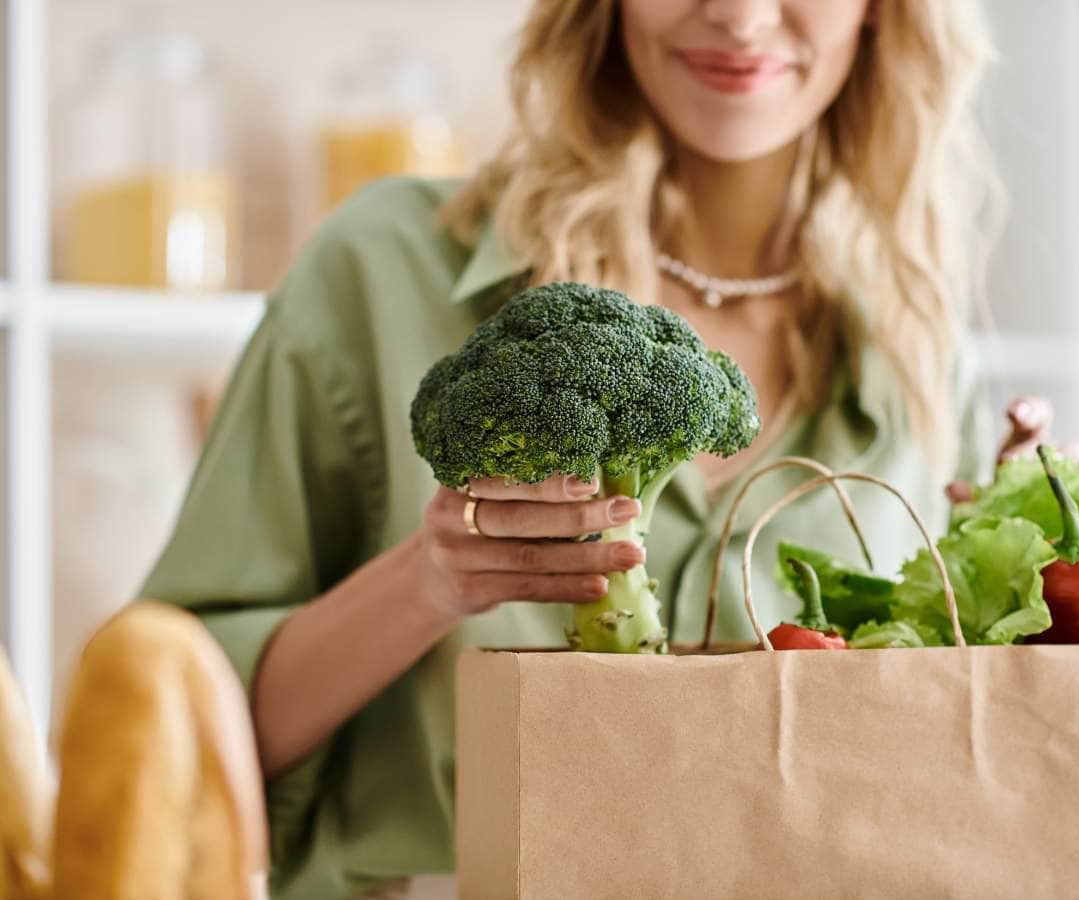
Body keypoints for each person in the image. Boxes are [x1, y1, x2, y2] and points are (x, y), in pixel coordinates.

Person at [140, 1, 1009, 897]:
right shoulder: (382, 267)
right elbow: (157, 742)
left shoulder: (919, 351)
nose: (741, 18)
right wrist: (427, 584)